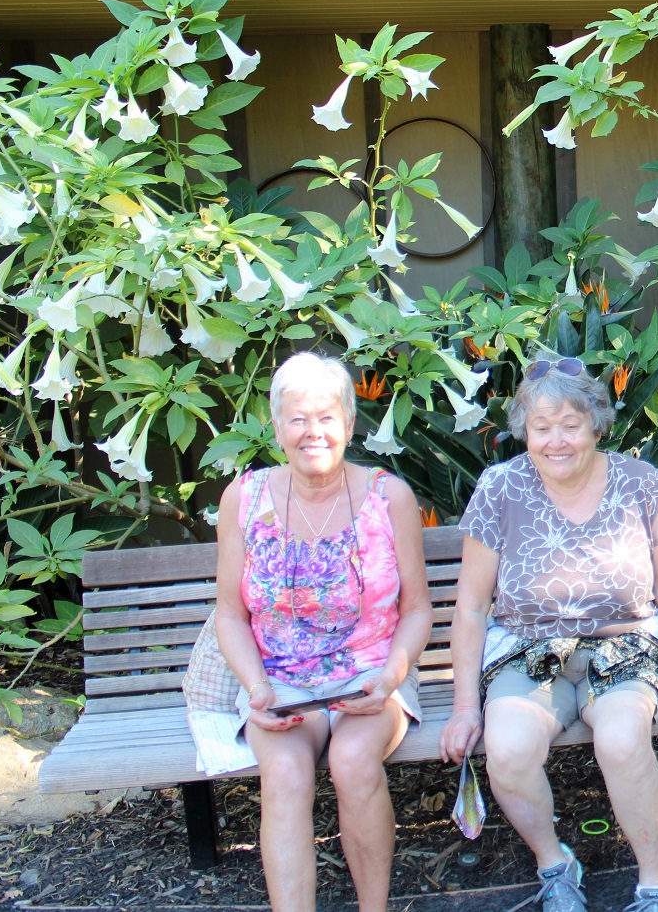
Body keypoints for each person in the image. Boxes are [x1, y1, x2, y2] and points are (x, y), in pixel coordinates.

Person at [439, 355, 658, 912]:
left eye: (570, 425)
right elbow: (472, 608)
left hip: (626, 646)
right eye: (541, 428)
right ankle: (555, 866)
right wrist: (462, 707)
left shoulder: (639, 483)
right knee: (508, 749)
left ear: (596, 425)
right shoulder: (500, 487)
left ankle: (653, 885)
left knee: (621, 741)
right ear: (524, 431)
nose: (556, 441)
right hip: (527, 649)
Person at [214, 352, 432, 912]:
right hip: (280, 680)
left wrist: (391, 676)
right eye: (298, 418)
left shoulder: (389, 496)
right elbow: (230, 615)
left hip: (371, 674)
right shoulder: (245, 499)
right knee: (285, 773)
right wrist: (257, 688)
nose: (314, 432)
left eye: (327, 417)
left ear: (350, 424)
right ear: (276, 427)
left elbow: (416, 610)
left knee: (353, 762)